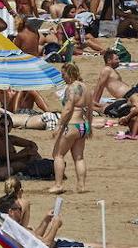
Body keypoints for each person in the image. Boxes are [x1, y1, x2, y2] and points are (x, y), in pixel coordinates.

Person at [49, 62, 90, 194]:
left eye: (64, 75)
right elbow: (90, 108)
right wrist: (90, 126)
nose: (63, 78)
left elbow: (68, 108)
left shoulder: (71, 88)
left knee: (58, 154)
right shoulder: (85, 87)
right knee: (79, 157)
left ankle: (58, 185)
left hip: (72, 125)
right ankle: (81, 186)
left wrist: (59, 125)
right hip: (83, 125)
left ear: (70, 74)